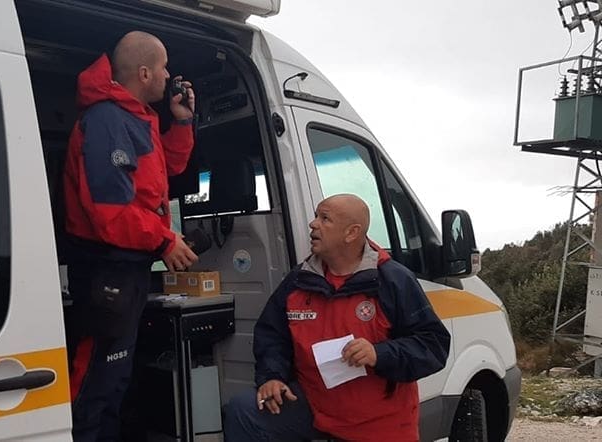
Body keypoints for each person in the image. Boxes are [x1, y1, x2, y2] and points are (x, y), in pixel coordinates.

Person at [223, 194, 451, 441]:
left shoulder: (393, 279)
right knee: (244, 411)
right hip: (315, 406)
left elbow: (433, 345)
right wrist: (272, 377)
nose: (313, 224)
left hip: (379, 422)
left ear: (351, 233)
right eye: (316, 216)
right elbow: (272, 335)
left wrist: (379, 353)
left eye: (325, 219)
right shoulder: (299, 280)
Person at [62, 31, 199, 441]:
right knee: (93, 387)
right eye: (163, 68)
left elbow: (166, 170)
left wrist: (182, 121)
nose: (169, 76)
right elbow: (110, 213)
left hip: (128, 271)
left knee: (115, 382)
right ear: (144, 73)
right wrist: (165, 240)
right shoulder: (107, 120)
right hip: (107, 270)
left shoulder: (136, 117)